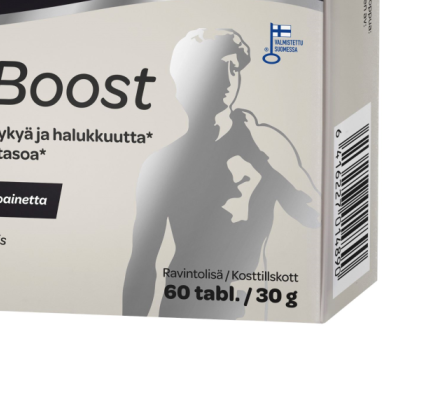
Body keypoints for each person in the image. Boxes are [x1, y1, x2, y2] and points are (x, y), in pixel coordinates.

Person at [122, 28, 320, 319]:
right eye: (217, 68)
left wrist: (271, 151)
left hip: (247, 309)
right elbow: (142, 263)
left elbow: (319, 216)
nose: (229, 79)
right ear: (186, 79)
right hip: (180, 308)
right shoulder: (160, 165)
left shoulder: (262, 146)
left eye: (234, 68)